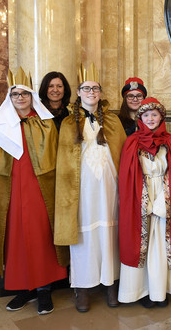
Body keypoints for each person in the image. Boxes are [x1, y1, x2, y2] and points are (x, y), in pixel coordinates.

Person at [0, 68, 68, 315]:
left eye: (25, 94)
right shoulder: (1, 126)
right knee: (17, 239)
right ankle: (24, 288)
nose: (20, 98)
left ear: (32, 96)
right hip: (11, 192)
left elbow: (56, 161)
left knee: (40, 238)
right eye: (15, 94)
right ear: (9, 98)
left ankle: (43, 290)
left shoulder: (45, 124)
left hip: (40, 192)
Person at [54, 66, 126, 312]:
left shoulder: (114, 121)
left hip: (109, 190)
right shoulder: (67, 123)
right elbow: (63, 162)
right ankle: (82, 287)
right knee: (84, 237)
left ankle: (111, 284)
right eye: (86, 88)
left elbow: (123, 156)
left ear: (100, 92)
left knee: (110, 236)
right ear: (78, 92)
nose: (91, 92)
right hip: (81, 192)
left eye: (95, 88)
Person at [118, 98, 171, 308]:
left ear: (161, 118)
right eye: (146, 115)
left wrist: (162, 202)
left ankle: (161, 291)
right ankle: (142, 291)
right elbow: (127, 176)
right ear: (140, 118)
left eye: (154, 115)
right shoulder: (131, 142)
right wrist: (144, 202)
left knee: (161, 244)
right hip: (140, 198)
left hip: (164, 198)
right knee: (143, 245)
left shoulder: (170, 143)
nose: (150, 119)